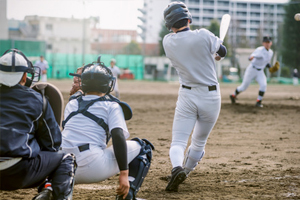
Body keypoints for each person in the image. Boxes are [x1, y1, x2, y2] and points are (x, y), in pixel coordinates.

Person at [60, 57, 154, 200]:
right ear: (107, 84)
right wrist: (123, 172)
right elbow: (118, 136)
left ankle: (57, 190)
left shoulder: (71, 104)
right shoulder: (111, 105)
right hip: (91, 165)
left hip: (62, 165)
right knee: (143, 147)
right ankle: (127, 195)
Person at [162, 2, 227, 192]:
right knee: (199, 141)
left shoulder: (167, 41)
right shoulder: (204, 35)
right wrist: (218, 51)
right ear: (188, 19)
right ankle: (186, 172)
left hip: (187, 95)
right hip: (211, 96)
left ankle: (176, 168)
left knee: (178, 141)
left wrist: (213, 51)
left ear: (170, 25)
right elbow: (222, 52)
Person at [0, 49, 76, 200]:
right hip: (18, 171)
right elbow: (53, 144)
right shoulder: (37, 100)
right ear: (23, 76)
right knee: (66, 157)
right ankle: (50, 190)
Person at [230, 36, 280, 107]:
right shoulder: (259, 50)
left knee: (263, 85)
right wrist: (251, 57)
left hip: (260, 71)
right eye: (266, 42)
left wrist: (270, 68)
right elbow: (251, 56)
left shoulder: (271, 53)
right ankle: (233, 95)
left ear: (271, 43)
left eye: (268, 42)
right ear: (263, 43)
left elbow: (265, 62)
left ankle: (258, 101)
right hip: (252, 70)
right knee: (244, 87)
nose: (267, 44)